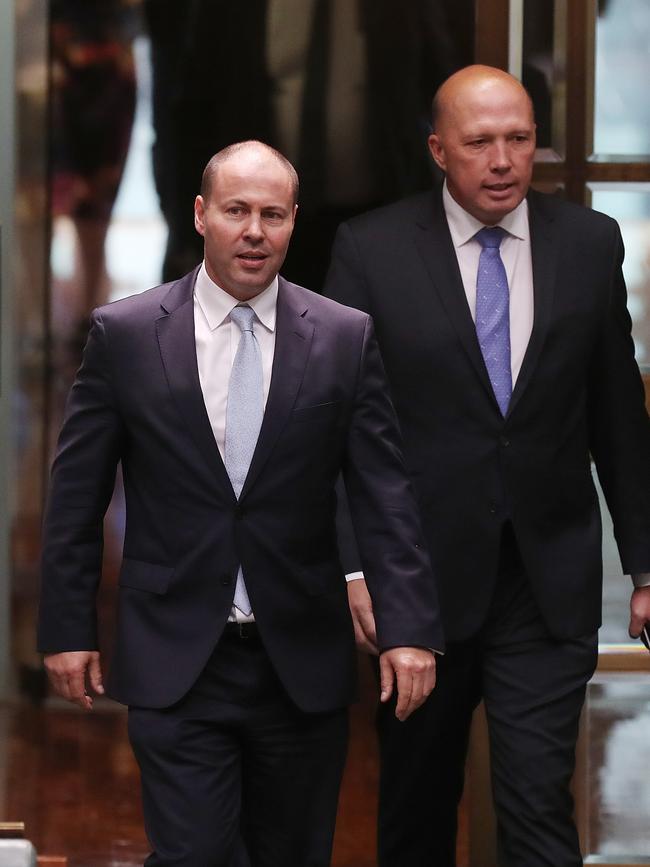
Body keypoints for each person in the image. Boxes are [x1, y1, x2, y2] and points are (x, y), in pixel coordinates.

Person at [38, 140, 442, 867]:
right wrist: (67, 627)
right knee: (194, 854)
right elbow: (77, 497)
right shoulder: (126, 334)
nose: (254, 230)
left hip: (300, 658)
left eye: (272, 214)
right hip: (176, 654)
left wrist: (409, 626)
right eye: (236, 211)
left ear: (293, 223)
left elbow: (385, 491)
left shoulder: (343, 337)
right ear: (201, 216)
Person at [324, 65, 650, 867]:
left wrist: (645, 564)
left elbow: (618, 415)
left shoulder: (588, 243)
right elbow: (336, 429)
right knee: (418, 805)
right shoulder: (370, 250)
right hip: (420, 579)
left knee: (538, 802)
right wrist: (357, 569)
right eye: (479, 143)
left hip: (545, 579)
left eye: (520, 139)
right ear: (439, 149)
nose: (503, 160)